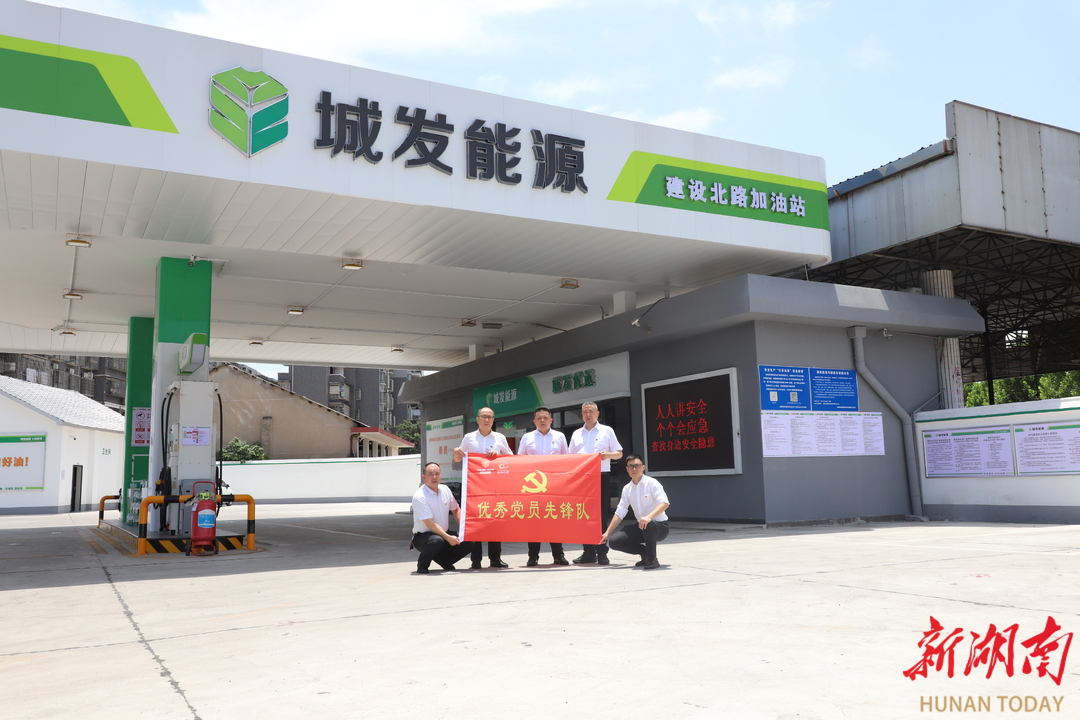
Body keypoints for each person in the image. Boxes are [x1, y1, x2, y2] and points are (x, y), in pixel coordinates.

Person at [453, 406, 512, 568]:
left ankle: (495, 558)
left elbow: (510, 458)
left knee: (495, 521)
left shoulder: (499, 438)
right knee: (476, 521)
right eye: (484, 416)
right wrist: (456, 452)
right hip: (475, 487)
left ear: (493, 420)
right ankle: (476, 559)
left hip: (495, 487)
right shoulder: (469, 438)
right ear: (477, 419)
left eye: (490, 417)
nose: (487, 419)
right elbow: (458, 459)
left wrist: (498, 456)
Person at [567, 401, 623, 565]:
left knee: (601, 515)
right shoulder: (576, 434)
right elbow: (570, 458)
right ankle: (588, 552)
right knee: (583, 514)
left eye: (591, 411)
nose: (588, 414)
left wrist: (608, 455)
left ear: (598, 413)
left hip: (600, 476)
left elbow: (619, 453)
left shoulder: (607, 430)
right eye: (585, 412)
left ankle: (602, 552)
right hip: (581, 479)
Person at [517, 406, 570, 566]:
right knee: (533, 520)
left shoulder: (559, 436)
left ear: (551, 420)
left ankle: (558, 555)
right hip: (533, 486)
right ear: (534, 421)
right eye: (539, 418)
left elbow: (567, 459)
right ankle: (533, 556)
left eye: (545, 418)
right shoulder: (527, 437)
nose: (542, 420)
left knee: (554, 519)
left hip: (555, 485)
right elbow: (519, 460)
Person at [600, 454, 670, 569]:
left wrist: (649, 517)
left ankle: (652, 559)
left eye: (637, 466)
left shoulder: (652, 483)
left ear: (643, 467)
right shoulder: (627, 489)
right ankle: (645, 553)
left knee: (647, 524)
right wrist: (607, 533)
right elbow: (620, 512)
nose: (634, 469)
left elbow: (664, 503)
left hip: (659, 527)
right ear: (627, 469)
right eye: (631, 466)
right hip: (641, 526)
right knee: (614, 541)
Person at [411, 462, 475, 574]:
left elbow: (456, 510)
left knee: (469, 541)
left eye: (437, 473)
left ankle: (445, 561)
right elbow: (430, 524)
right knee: (436, 541)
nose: (434, 477)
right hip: (424, 537)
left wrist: (464, 530)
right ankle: (422, 565)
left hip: (443, 533)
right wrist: (448, 538)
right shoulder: (420, 496)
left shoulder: (445, 489)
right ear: (424, 477)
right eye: (430, 474)